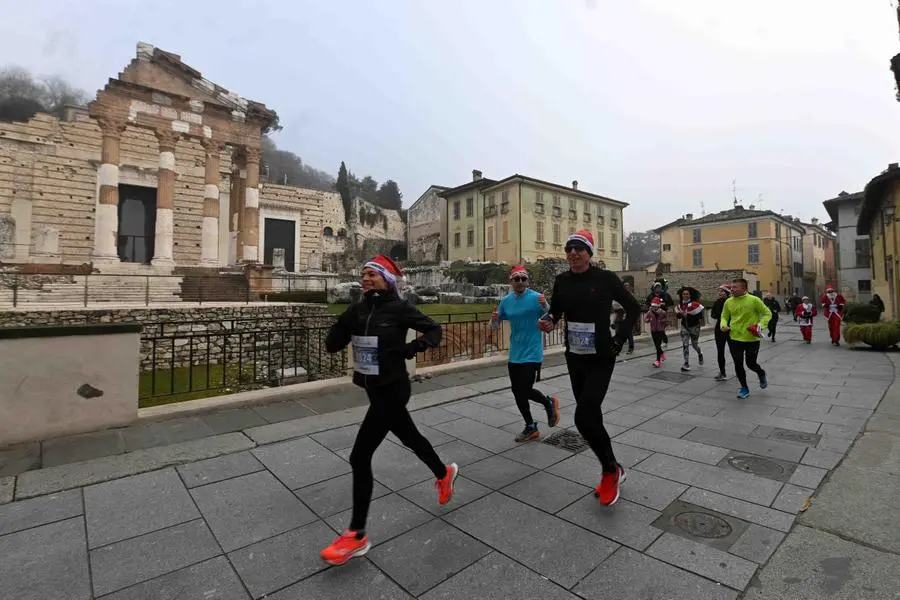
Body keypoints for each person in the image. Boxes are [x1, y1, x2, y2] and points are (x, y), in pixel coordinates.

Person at [320, 255, 458, 565]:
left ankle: (356, 535)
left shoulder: (398, 308)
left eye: (372, 274)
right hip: (373, 388)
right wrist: (340, 327)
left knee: (359, 456)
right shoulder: (358, 310)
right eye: (363, 274)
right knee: (410, 437)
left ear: (387, 279)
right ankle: (443, 472)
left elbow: (434, 330)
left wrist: (412, 349)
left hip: (394, 389)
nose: (366, 278)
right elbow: (333, 344)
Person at [539, 230, 640, 505]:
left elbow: (633, 308)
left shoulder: (605, 278)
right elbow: (556, 312)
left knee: (584, 418)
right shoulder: (562, 280)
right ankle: (614, 467)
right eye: (569, 248)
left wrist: (619, 339)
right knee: (591, 417)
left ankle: (609, 472)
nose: (572, 253)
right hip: (575, 356)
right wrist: (548, 320)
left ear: (589, 253)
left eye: (578, 249)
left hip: (601, 357)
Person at [492, 265, 560, 442]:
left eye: (523, 278)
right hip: (515, 352)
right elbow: (496, 324)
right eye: (517, 279)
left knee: (525, 389)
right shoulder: (506, 301)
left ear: (528, 281)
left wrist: (546, 305)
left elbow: (552, 316)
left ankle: (548, 403)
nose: (520, 282)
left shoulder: (537, 297)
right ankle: (530, 426)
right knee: (517, 391)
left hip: (532, 351)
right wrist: (494, 320)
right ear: (511, 281)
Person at [719, 277, 772, 399]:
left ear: (744, 289)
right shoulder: (728, 302)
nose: (732, 289)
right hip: (734, 338)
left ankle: (761, 373)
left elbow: (767, 313)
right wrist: (723, 324)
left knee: (751, 363)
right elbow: (724, 315)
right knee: (738, 363)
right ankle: (744, 388)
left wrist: (760, 326)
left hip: (751, 338)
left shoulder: (754, 300)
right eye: (731, 287)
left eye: (735, 287)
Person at [674, 286, 704, 372]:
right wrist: (680, 314)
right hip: (684, 327)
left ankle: (700, 353)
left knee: (695, 345)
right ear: (682, 295)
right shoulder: (680, 305)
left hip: (694, 327)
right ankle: (686, 363)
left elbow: (700, 316)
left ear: (690, 295)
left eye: (687, 294)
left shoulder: (695, 304)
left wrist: (689, 315)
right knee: (685, 345)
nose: (685, 295)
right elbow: (678, 317)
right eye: (684, 294)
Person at [710, 284, 732, 381]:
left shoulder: (732, 302)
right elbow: (713, 315)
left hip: (731, 328)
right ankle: (722, 372)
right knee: (720, 351)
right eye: (719, 291)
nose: (720, 293)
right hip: (719, 329)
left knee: (735, 351)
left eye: (722, 291)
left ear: (727, 293)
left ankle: (738, 369)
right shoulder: (717, 302)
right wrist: (720, 315)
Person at [646, 281, 674, 348]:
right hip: (653, 314)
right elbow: (647, 303)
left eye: (659, 287)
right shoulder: (651, 296)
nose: (658, 289)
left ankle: (665, 341)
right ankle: (657, 342)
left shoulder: (665, 295)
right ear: (654, 288)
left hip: (662, 313)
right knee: (654, 329)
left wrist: (664, 304)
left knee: (661, 329)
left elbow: (670, 303)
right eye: (656, 287)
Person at [644, 297, 668, 367]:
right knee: (656, 345)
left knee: (658, 345)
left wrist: (662, 321)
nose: (653, 307)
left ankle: (657, 361)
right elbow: (645, 319)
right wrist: (648, 320)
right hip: (653, 330)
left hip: (660, 331)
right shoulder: (649, 312)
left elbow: (667, 320)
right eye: (652, 306)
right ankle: (662, 354)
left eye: (654, 306)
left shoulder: (662, 312)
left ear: (658, 306)